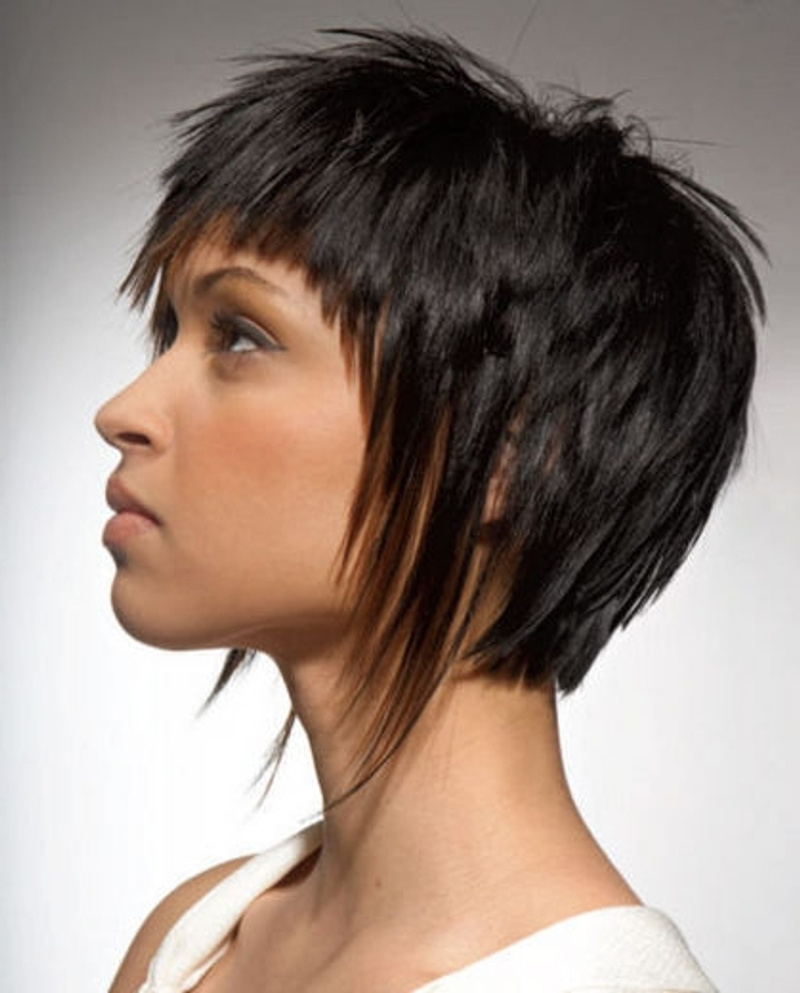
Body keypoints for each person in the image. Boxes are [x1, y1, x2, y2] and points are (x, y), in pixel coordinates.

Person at [95, 28, 763, 993]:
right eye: (170, 332)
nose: (122, 411)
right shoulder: (198, 937)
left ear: (512, 455)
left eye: (240, 335)